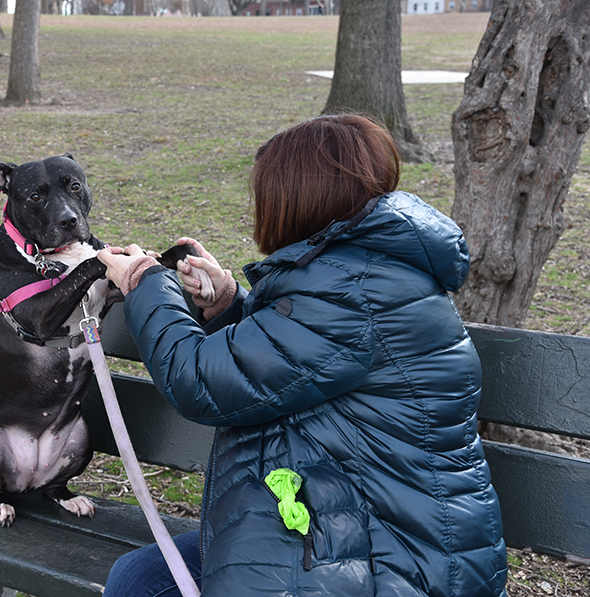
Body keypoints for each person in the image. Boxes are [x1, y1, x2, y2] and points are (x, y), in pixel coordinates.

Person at [97, 114, 508, 597]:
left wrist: (146, 281)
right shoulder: (363, 270)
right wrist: (230, 303)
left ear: (298, 201)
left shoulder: (353, 291)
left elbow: (199, 380)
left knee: (139, 585)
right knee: (138, 580)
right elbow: (301, 364)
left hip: (394, 561)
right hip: (347, 521)